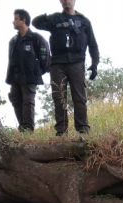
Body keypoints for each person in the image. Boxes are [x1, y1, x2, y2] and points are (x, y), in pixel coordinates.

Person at [33, 0, 100, 136]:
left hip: (77, 63)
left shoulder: (84, 21)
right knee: (59, 97)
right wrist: (47, 17)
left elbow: (93, 45)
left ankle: (83, 130)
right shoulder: (55, 18)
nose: (66, 1)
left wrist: (94, 64)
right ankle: (61, 132)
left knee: (79, 98)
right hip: (57, 64)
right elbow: (36, 23)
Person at [7, 9, 51, 132]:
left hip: (30, 77)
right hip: (15, 77)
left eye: (16, 19)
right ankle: (22, 128)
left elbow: (45, 57)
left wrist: (37, 71)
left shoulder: (36, 38)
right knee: (15, 99)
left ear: (23, 20)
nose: (13, 22)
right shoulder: (13, 41)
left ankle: (28, 128)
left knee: (28, 101)